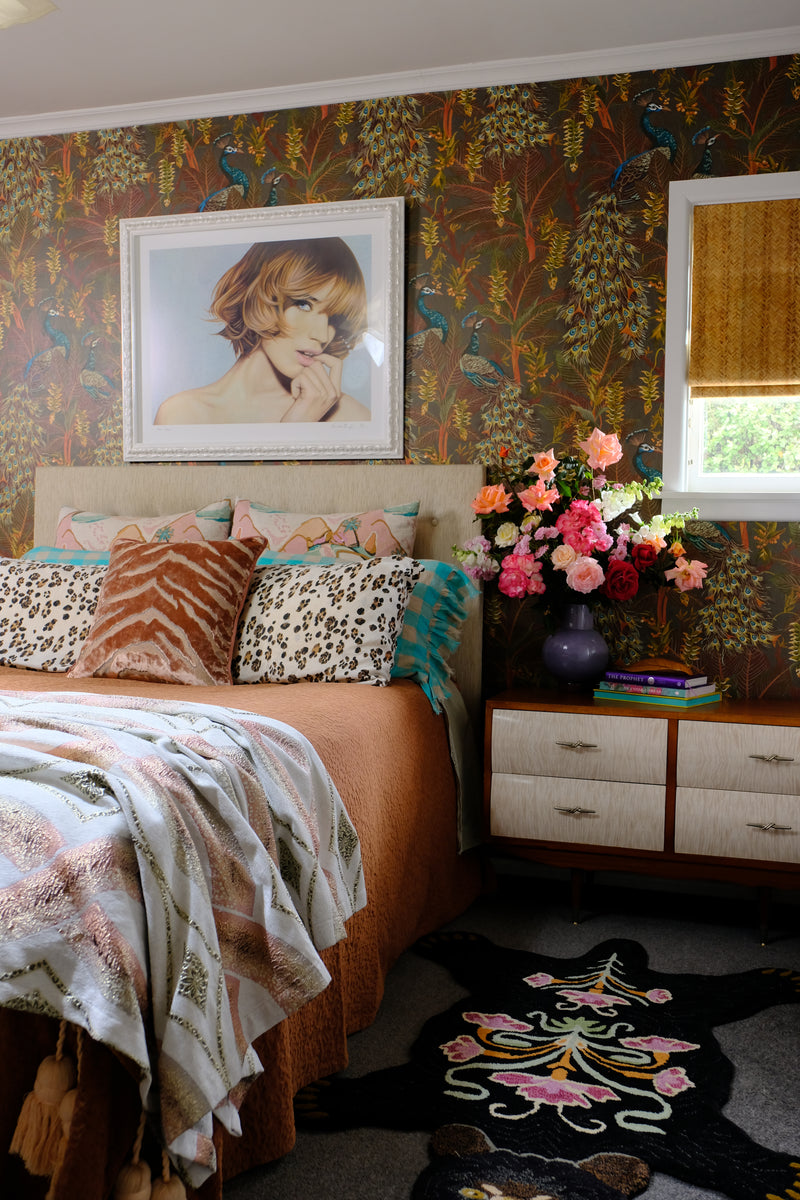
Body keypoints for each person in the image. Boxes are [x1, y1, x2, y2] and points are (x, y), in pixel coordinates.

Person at [154, 237, 370, 425]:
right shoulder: (181, 415)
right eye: (304, 304)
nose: (322, 335)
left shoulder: (353, 417)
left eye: (333, 318)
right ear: (256, 297)